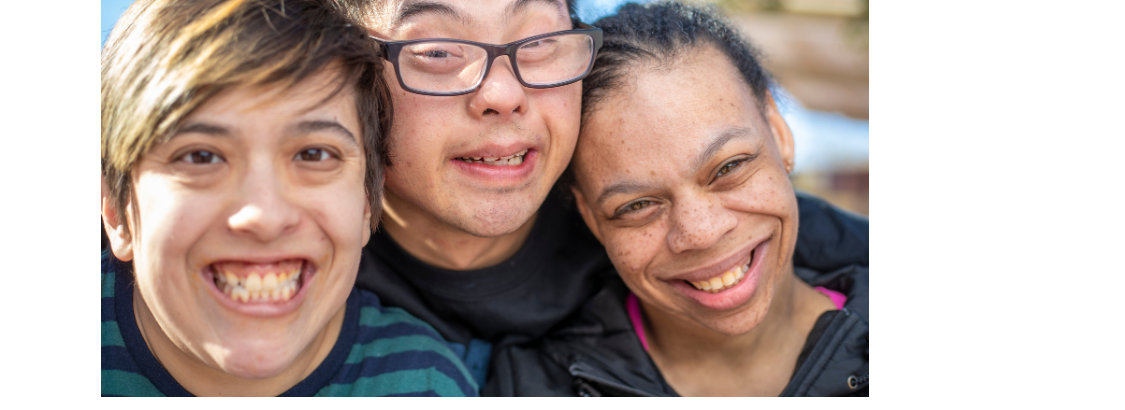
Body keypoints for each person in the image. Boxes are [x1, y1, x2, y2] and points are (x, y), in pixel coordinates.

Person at [333, 0, 869, 394]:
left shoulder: (826, 252)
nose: (502, 93)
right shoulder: (306, 268)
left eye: (538, 41)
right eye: (438, 50)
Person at [99, 0, 477, 396]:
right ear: (115, 210)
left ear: (369, 200)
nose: (265, 216)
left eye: (314, 155)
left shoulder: (425, 385)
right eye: (200, 157)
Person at [489, 2, 868, 396]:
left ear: (779, 131)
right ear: (589, 215)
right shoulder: (535, 386)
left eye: (728, 168)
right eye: (637, 206)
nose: (700, 233)